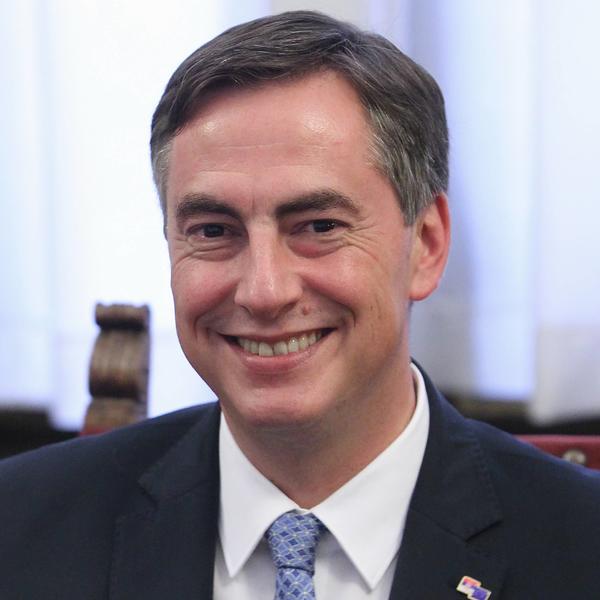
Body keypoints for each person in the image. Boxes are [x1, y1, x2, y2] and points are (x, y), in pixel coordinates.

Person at [1, 10, 599, 599]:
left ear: (425, 244)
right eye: (213, 231)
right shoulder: (21, 528)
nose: (264, 291)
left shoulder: (580, 545)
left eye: (318, 226)